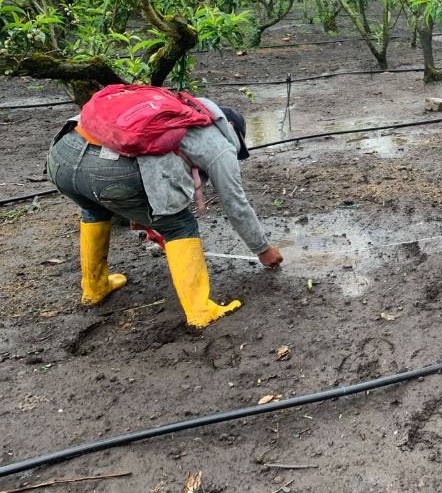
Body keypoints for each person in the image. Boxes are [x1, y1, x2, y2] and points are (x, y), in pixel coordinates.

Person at [46, 96, 283, 327]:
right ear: (231, 127)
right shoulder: (217, 140)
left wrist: (137, 213)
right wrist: (263, 249)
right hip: (107, 171)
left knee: (94, 209)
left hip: (63, 154)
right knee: (179, 225)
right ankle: (201, 312)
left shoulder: (171, 106)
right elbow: (235, 202)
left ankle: (94, 288)